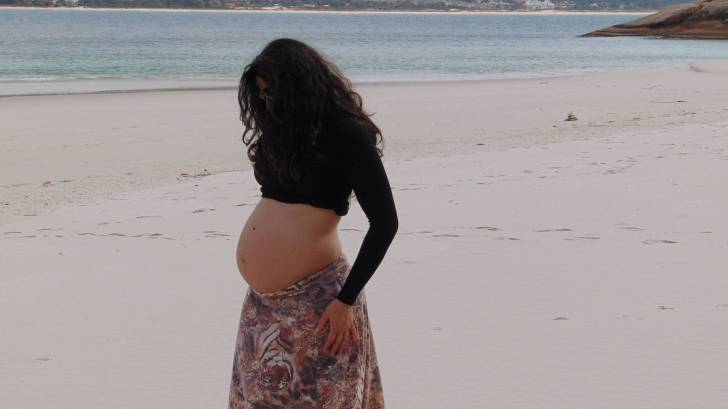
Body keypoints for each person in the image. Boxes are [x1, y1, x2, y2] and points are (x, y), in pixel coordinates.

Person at [228, 38, 399, 409]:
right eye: (262, 96)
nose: (268, 102)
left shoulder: (348, 135)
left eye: (273, 92)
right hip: (263, 308)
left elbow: (385, 223)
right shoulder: (282, 134)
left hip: (319, 304)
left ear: (300, 85)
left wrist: (345, 300)